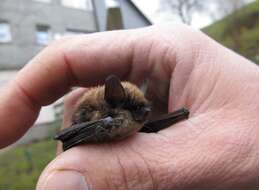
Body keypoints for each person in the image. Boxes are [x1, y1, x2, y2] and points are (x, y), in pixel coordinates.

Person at [0, 23, 258, 190]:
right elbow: (70, 134)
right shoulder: (108, 116)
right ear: (115, 104)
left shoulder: (134, 116)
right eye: (138, 110)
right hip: (90, 126)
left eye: (144, 109)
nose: (144, 113)